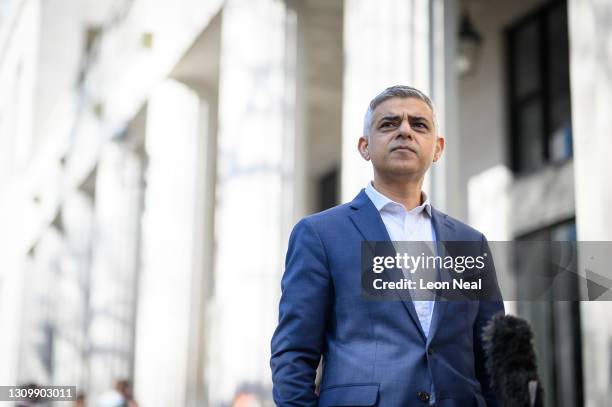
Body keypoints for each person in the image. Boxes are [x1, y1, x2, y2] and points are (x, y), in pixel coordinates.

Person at [270, 85, 504, 406]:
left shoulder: (470, 243)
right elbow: (294, 353)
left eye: (419, 124)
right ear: (365, 147)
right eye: (389, 124)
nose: (405, 131)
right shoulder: (319, 234)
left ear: (438, 149)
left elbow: (491, 357)